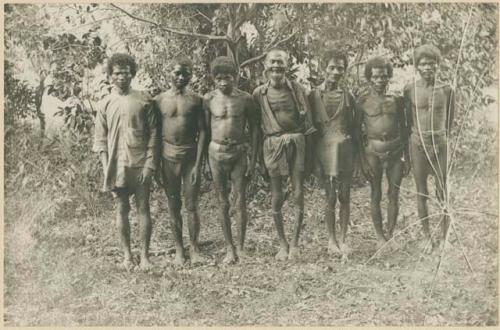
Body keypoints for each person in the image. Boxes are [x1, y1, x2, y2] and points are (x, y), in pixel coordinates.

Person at [93, 53, 160, 271]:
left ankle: (145, 257)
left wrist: (150, 163)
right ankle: (127, 256)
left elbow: (154, 134)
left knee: (143, 208)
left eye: (126, 72)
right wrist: (106, 169)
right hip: (116, 165)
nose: (122, 76)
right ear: (111, 76)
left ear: (133, 73)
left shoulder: (144, 99)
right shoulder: (105, 103)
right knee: (121, 208)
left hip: (140, 164)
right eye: (117, 73)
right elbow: (100, 141)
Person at [252, 48, 316, 261]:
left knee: (298, 192)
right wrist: (257, 159)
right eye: (272, 62)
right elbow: (254, 128)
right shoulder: (259, 93)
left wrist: (309, 158)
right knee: (277, 194)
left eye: (280, 63)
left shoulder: (297, 90)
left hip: (296, 142)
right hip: (272, 144)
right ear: (265, 66)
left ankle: (295, 243)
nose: (276, 66)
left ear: (287, 67)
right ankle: (282, 243)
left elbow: (308, 125)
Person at [203, 57, 259, 264]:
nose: (223, 82)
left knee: (240, 200)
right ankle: (229, 248)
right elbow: (204, 131)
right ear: (213, 79)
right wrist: (204, 163)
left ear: (235, 77)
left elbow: (254, 130)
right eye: (218, 78)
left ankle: (241, 247)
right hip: (216, 152)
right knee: (222, 202)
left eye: (227, 77)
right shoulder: (208, 99)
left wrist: (253, 160)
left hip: (239, 152)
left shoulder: (245, 99)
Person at [154, 56, 206, 265]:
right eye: (177, 73)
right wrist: (157, 164)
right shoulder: (158, 101)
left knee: (191, 205)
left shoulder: (197, 100)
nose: (181, 77)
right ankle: (178, 249)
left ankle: (194, 248)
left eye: (186, 73)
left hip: (190, 155)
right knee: (173, 204)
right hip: (168, 156)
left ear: (191, 76)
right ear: (169, 73)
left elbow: (203, 131)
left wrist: (199, 163)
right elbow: (155, 134)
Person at [404, 44, 455, 253]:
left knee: (443, 190)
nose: (427, 67)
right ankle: (426, 237)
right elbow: (406, 120)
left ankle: (445, 238)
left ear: (437, 65)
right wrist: (411, 148)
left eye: (431, 63)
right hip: (418, 144)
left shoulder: (446, 89)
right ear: (417, 66)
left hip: (440, 143)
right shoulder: (410, 90)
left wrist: (441, 140)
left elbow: (450, 120)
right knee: (421, 192)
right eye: (423, 64)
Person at [355, 56, 410, 250]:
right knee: (376, 193)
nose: (380, 80)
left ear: (389, 77)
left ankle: (391, 234)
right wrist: (361, 162)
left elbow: (405, 128)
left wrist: (407, 158)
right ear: (370, 77)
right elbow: (356, 133)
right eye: (376, 76)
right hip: (373, 153)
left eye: (384, 76)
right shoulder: (362, 101)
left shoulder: (397, 100)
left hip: (395, 152)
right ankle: (379, 237)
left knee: (393, 193)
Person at [309, 49, 356, 257]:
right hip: (322, 149)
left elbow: (354, 127)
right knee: (329, 196)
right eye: (332, 67)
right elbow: (310, 130)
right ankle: (331, 239)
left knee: (344, 195)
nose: (336, 72)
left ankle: (344, 238)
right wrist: (314, 161)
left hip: (345, 149)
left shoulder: (348, 96)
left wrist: (355, 156)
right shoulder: (313, 95)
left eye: (340, 68)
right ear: (324, 68)